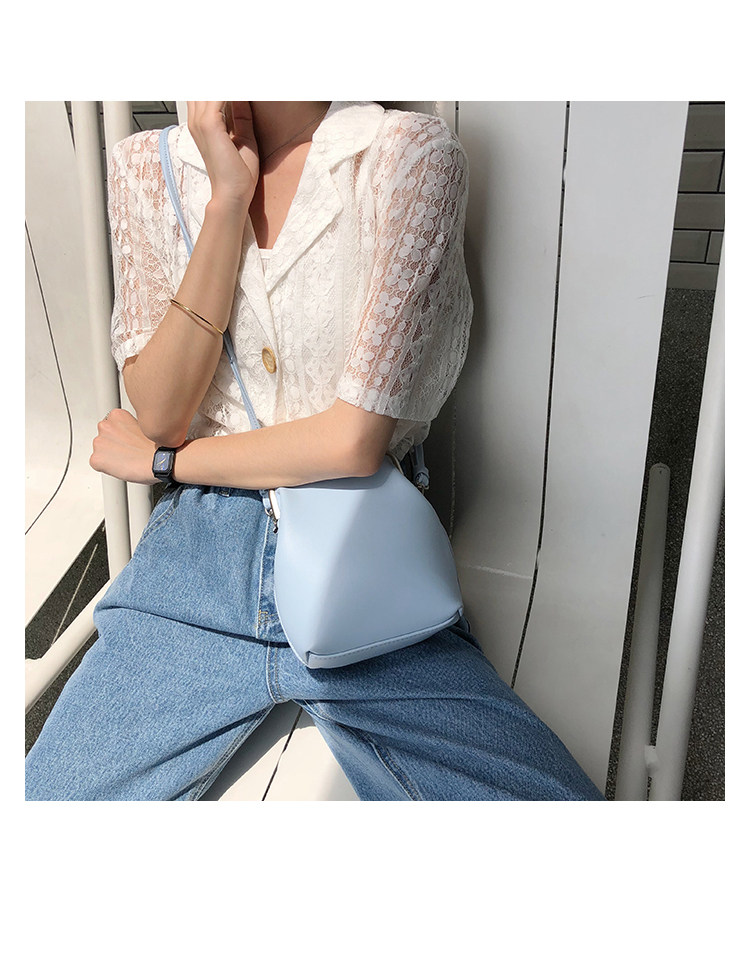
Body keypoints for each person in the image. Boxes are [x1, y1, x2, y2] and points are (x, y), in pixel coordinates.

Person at [25, 101, 603, 801]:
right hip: (196, 562)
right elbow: (163, 413)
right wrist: (227, 201)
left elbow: (352, 443)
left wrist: (161, 464)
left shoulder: (405, 156)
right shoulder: (146, 168)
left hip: (365, 559)